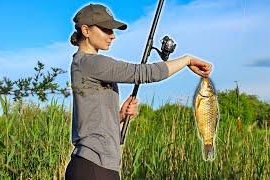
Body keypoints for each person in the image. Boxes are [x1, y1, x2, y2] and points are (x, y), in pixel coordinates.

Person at [65, 3, 212, 180]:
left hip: (98, 165)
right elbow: (144, 73)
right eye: (106, 30)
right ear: (86, 30)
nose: (112, 36)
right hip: (93, 166)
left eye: (113, 31)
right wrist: (187, 60)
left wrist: (119, 115)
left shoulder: (83, 65)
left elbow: (91, 119)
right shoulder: (90, 63)